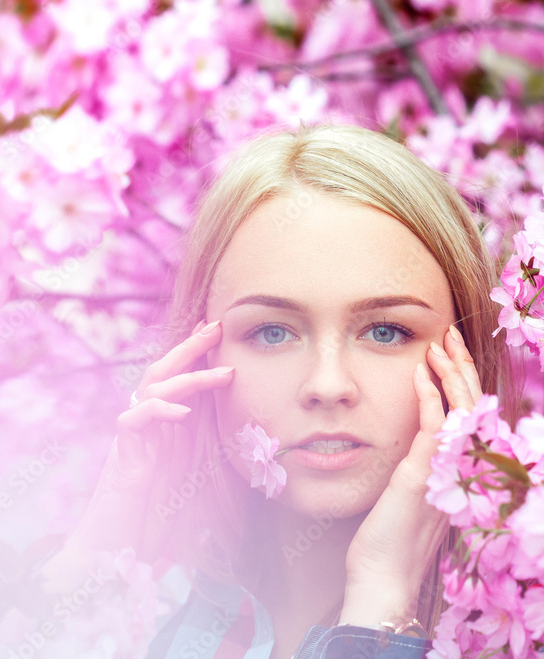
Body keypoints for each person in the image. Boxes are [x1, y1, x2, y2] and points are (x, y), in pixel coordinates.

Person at [39, 123, 518, 658]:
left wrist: (380, 611)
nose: (328, 385)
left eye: (385, 332)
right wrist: (99, 553)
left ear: (466, 356)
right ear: (199, 356)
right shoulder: (153, 619)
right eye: (272, 333)